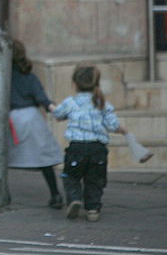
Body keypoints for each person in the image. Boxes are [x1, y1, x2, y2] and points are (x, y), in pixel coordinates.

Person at [52, 65, 126, 222]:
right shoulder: (102, 103)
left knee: (71, 176)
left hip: (77, 147)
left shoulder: (70, 102)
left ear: (74, 84)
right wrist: (122, 130)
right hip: (97, 149)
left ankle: (74, 199)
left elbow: (58, 115)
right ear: (96, 84)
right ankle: (93, 210)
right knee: (95, 180)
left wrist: (52, 107)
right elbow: (113, 125)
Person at [8, 40, 63, 209]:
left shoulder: (1, 77)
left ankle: (2, 194)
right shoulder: (29, 77)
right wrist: (56, 111)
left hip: (9, 120)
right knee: (44, 159)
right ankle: (55, 194)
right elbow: (42, 99)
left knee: (2, 158)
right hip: (31, 118)